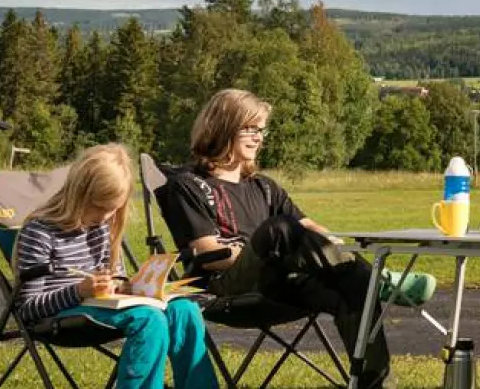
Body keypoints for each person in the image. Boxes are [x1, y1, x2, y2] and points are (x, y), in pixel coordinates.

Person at [160, 88, 424, 389]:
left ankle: (374, 382)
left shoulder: (264, 186)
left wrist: (332, 248)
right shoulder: (188, 184)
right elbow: (209, 253)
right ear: (223, 127)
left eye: (261, 130)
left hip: (280, 282)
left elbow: (311, 227)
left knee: (354, 287)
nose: (258, 138)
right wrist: (262, 248)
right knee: (278, 229)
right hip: (224, 287)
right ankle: (380, 279)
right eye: (250, 128)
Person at [14, 143, 219, 389]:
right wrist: (78, 291)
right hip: (61, 315)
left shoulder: (102, 226)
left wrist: (126, 286)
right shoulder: (39, 231)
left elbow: (117, 277)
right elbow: (27, 310)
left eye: (113, 210)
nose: (105, 217)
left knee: (184, 309)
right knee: (149, 319)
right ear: (78, 194)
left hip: (102, 306)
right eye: (99, 208)